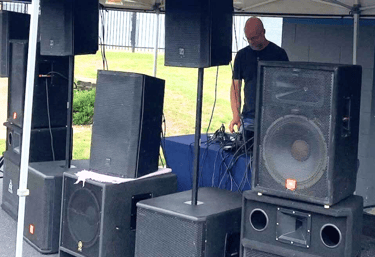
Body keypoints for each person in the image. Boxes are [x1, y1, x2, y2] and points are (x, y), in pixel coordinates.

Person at [229, 17, 289, 133]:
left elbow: (287, 87)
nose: (251, 42)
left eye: (254, 38)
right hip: (249, 117)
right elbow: (235, 87)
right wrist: (236, 115)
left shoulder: (279, 54)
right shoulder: (242, 55)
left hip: (274, 117)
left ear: (263, 32)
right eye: (248, 39)